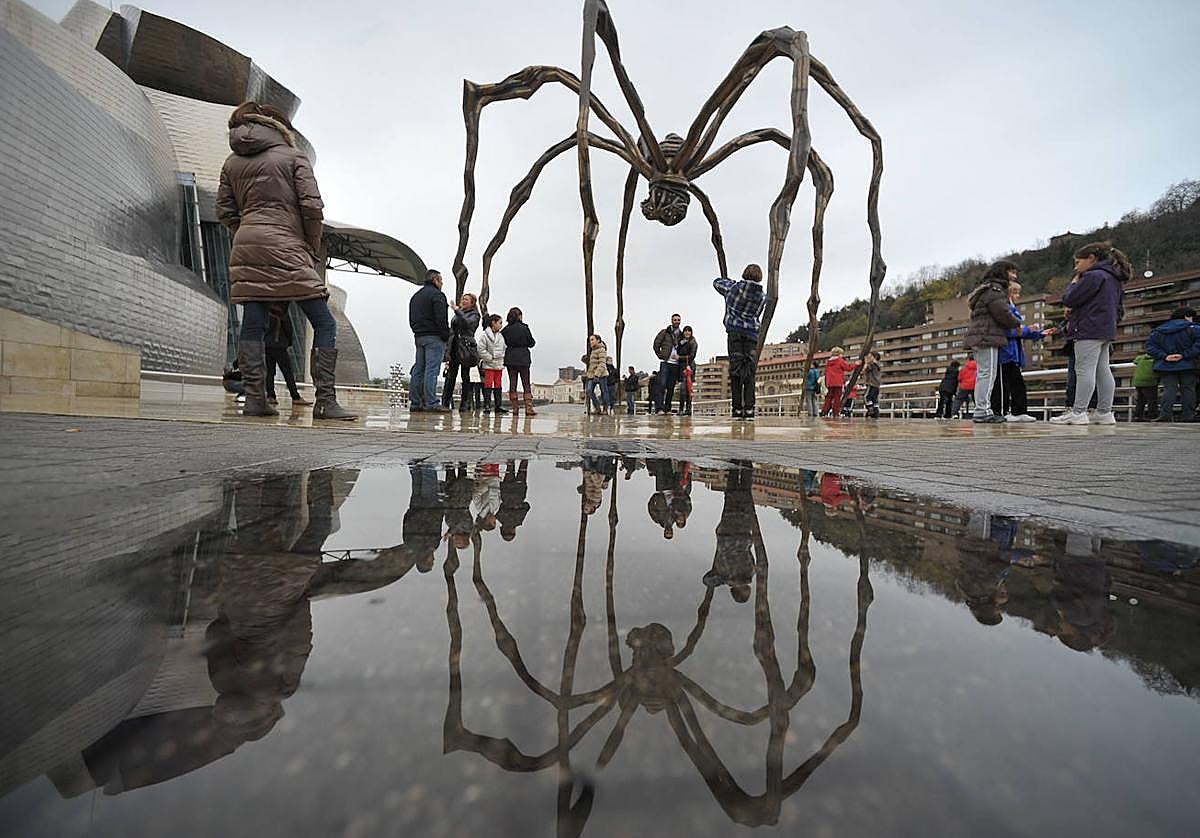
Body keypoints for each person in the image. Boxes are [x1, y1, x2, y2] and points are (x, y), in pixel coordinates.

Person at [216, 101, 356, 419]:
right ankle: (325, 401)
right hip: (288, 244)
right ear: (279, 128)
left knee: (253, 322)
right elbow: (312, 207)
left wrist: (248, 231)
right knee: (323, 321)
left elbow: (224, 211)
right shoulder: (293, 157)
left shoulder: (231, 162)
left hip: (247, 244)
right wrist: (309, 245)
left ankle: (255, 399)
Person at [1050, 242, 1130, 425]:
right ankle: (1104, 412)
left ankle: (1078, 412)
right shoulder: (1114, 278)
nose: (1076, 267)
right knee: (1103, 370)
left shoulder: (1093, 276)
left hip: (1087, 328)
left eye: (1078, 262)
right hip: (1105, 329)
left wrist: (1073, 284)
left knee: (1084, 370)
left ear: (1091, 259)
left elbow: (1070, 298)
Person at [963, 261, 1023, 424]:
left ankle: (983, 409)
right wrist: (1017, 322)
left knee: (985, 373)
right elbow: (1002, 313)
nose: (1014, 276)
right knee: (987, 374)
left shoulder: (986, 290)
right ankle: (982, 410)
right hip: (987, 337)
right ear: (1003, 273)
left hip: (982, 336)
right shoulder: (995, 291)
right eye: (1012, 272)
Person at [990, 279, 1052, 422]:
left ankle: (1018, 411)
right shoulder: (1004, 309)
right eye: (1015, 292)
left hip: (1013, 353)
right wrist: (1027, 330)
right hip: (1005, 353)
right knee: (1005, 384)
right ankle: (1003, 411)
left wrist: (1039, 333)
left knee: (1016, 383)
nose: (1018, 296)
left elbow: (1018, 331)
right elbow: (1006, 331)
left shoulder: (1011, 309)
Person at [713, 265, 767, 420]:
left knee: (735, 371)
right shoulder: (762, 296)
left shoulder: (733, 289)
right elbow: (757, 314)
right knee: (749, 372)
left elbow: (716, 283)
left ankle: (737, 409)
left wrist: (729, 281)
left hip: (734, 332)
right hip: (751, 335)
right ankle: (749, 409)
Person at [409, 268, 451, 413]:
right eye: (441, 280)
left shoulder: (416, 296)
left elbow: (412, 318)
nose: (442, 283)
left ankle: (415, 402)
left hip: (419, 336)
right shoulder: (438, 295)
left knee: (418, 369)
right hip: (434, 337)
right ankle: (431, 402)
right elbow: (441, 319)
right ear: (435, 280)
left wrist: (417, 331)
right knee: (432, 370)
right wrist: (446, 336)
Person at [1146, 307, 1198, 422]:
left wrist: (1165, 356)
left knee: (1169, 389)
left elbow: (1150, 347)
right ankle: (1188, 416)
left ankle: (1165, 415)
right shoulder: (1194, 328)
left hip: (1166, 365)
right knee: (1188, 389)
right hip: (1188, 364)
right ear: (1186, 316)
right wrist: (1184, 355)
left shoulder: (1158, 330)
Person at [263, 303, 310, 406]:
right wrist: (288, 343)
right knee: (287, 372)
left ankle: (271, 396)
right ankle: (295, 397)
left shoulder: (266, 313)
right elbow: (289, 330)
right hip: (279, 345)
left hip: (267, 345)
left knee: (270, 372)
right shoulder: (282, 314)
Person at [442, 293, 481, 412]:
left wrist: (457, 311)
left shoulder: (475, 315)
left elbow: (467, 324)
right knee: (450, 377)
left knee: (465, 376)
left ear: (472, 303)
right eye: (463, 299)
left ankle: (465, 403)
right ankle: (445, 402)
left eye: (466, 299)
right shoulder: (458, 313)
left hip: (466, 348)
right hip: (454, 346)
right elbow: (452, 330)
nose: (463, 301)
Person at [501, 307, 537, 414]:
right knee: (526, 383)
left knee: (513, 383)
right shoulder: (524, 328)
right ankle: (528, 408)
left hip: (510, 358)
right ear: (519, 316)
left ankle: (515, 408)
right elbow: (531, 343)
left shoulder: (505, 330)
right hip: (523, 358)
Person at [652, 314, 683, 413]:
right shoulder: (665, 332)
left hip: (675, 364)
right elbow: (656, 344)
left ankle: (667, 408)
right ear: (671, 321)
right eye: (675, 320)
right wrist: (660, 355)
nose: (677, 321)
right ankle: (659, 408)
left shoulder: (681, 335)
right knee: (662, 385)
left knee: (671, 387)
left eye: (678, 320)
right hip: (665, 362)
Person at [478, 313, 508, 414]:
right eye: (499, 323)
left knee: (498, 384)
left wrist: (501, 356)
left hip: (499, 364)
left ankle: (498, 405)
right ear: (493, 323)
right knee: (488, 384)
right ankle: (487, 405)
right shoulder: (485, 336)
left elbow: (504, 348)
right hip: (489, 364)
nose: (501, 325)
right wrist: (490, 358)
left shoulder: (501, 336)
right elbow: (481, 349)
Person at [819, 346, 855, 417]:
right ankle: (835, 413)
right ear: (839, 354)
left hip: (829, 383)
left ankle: (824, 412)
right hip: (838, 382)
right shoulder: (839, 360)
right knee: (837, 399)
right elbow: (848, 368)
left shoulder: (828, 362)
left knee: (828, 398)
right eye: (841, 354)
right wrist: (856, 364)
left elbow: (826, 373)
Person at [582, 334, 609, 414]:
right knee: (589, 390)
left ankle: (605, 409)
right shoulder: (592, 351)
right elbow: (592, 363)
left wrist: (597, 374)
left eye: (592, 339)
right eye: (590, 340)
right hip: (591, 374)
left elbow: (602, 363)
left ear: (598, 340)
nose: (591, 342)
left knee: (604, 391)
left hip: (601, 374)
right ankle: (597, 407)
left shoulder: (602, 350)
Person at [1130, 349, 1159, 422]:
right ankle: (1152, 415)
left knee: (1140, 400)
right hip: (1150, 382)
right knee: (1152, 400)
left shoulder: (1140, 358)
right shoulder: (1155, 359)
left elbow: (1135, 361)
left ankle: (1137, 416)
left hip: (1138, 382)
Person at [676, 326, 698, 416]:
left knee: (687, 389)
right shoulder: (681, 342)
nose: (687, 333)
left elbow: (692, 356)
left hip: (689, 366)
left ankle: (687, 409)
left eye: (689, 331)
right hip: (681, 366)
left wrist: (680, 358)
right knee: (683, 389)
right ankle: (682, 409)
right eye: (685, 331)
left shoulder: (693, 342)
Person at [861, 351, 882, 418]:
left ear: (874, 357)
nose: (868, 358)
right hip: (877, 384)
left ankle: (870, 409)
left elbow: (864, 370)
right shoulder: (879, 365)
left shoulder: (872, 365)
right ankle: (876, 411)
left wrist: (866, 363)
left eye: (870, 357)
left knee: (867, 397)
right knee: (875, 399)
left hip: (871, 383)